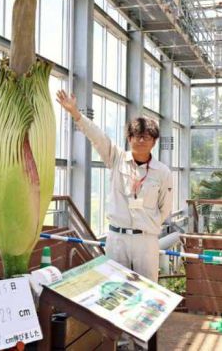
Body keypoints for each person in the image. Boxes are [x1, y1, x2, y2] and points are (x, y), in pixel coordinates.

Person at [56, 90, 173, 282]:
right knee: (114, 288)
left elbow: (165, 207)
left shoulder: (162, 172)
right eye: (137, 135)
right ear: (129, 138)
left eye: (147, 136)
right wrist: (75, 113)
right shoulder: (116, 158)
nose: (142, 140)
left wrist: (149, 225)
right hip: (117, 238)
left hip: (146, 240)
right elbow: (98, 137)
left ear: (154, 141)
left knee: (147, 289)